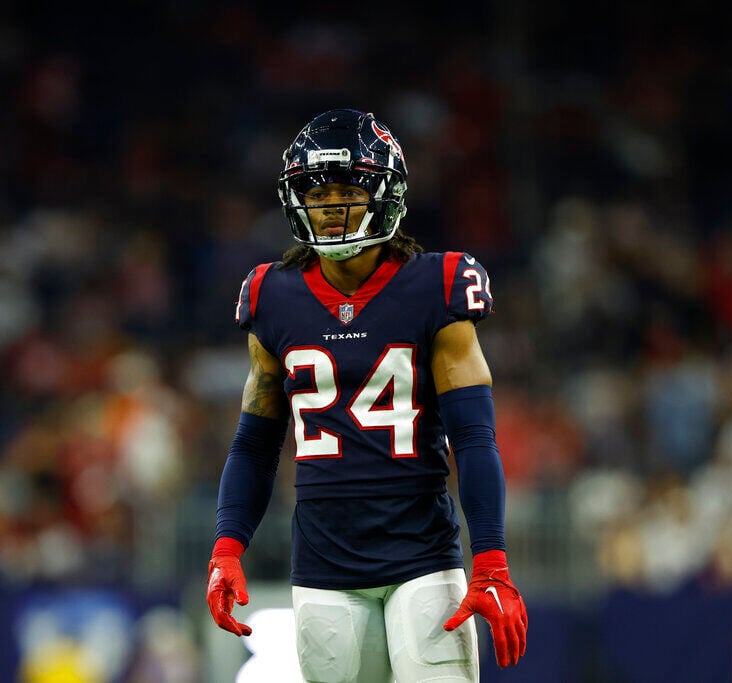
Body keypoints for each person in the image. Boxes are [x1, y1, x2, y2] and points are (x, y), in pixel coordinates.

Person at [206, 109, 528, 682]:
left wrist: (492, 561)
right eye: (316, 191)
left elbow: (475, 437)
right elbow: (254, 444)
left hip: (422, 556)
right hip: (323, 561)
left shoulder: (440, 282)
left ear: (387, 194)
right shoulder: (269, 294)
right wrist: (228, 545)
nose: (330, 206)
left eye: (347, 189)